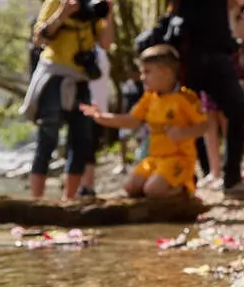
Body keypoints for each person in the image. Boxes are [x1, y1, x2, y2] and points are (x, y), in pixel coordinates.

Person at [159, 0, 244, 199]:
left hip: (218, 52)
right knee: (184, 115)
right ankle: (192, 177)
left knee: (238, 109)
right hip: (186, 55)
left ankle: (232, 179)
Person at [19, 0, 115, 200]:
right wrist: (62, 14)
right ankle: (36, 202)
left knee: (81, 141)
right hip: (54, 79)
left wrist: (108, 13)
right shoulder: (55, 1)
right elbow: (39, 37)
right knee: (48, 139)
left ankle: (68, 201)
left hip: (81, 81)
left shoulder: (94, 8)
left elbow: (105, 43)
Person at [83, 45, 207, 199]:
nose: (142, 77)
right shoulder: (149, 98)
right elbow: (132, 121)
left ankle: (185, 191)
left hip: (179, 159)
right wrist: (101, 117)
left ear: (166, 73)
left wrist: (184, 133)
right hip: (154, 159)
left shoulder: (185, 98)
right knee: (130, 188)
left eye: (147, 72)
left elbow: (204, 125)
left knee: (152, 190)